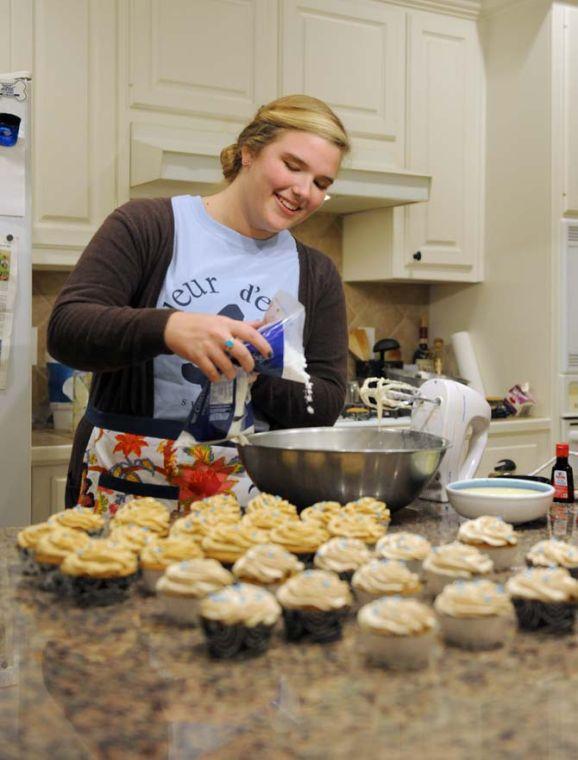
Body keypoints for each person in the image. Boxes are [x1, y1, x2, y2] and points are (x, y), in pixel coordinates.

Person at [48, 94, 350, 512]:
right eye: (293, 166)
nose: (303, 191)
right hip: (125, 484)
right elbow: (67, 330)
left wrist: (260, 371)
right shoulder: (147, 226)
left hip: (248, 497)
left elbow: (327, 404)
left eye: (321, 183)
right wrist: (170, 328)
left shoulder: (316, 274)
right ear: (249, 152)